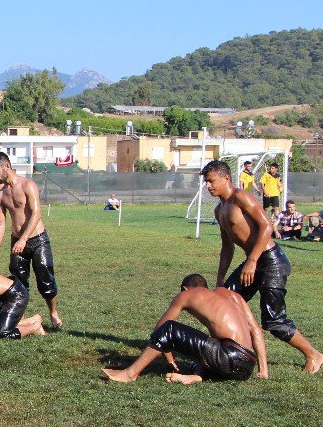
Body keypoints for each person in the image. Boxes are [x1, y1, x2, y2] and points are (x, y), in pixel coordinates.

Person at [201, 160, 322, 374]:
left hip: (271, 260)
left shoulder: (241, 197)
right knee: (224, 301)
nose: (208, 186)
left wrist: (252, 260)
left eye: (211, 181)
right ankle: (233, 353)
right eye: (206, 182)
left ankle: (313, 354)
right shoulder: (219, 210)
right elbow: (226, 246)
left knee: (273, 320)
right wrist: (220, 279)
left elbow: (267, 226)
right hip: (253, 261)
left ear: (226, 178)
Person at [102, 273, 267, 384]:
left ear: (185, 289)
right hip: (246, 367)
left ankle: (129, 374)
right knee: (209, 347)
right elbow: (256, 331)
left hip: (228, 358)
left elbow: (161, 329)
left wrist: (170, 361)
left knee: (169, 328)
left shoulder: (186, 295)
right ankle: (195, 376)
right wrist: (263, 370)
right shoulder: (233, 297)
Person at [0, 151, 62, 329]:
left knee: (45, 278)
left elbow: (36, 214)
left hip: (37, 239)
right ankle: (18, 318)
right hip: (17, 241)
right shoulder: (1, 194)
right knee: (18, 283)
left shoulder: (28, 185)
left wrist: (24, 239)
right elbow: (0, 222)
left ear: (6, 166)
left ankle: (53, 313)